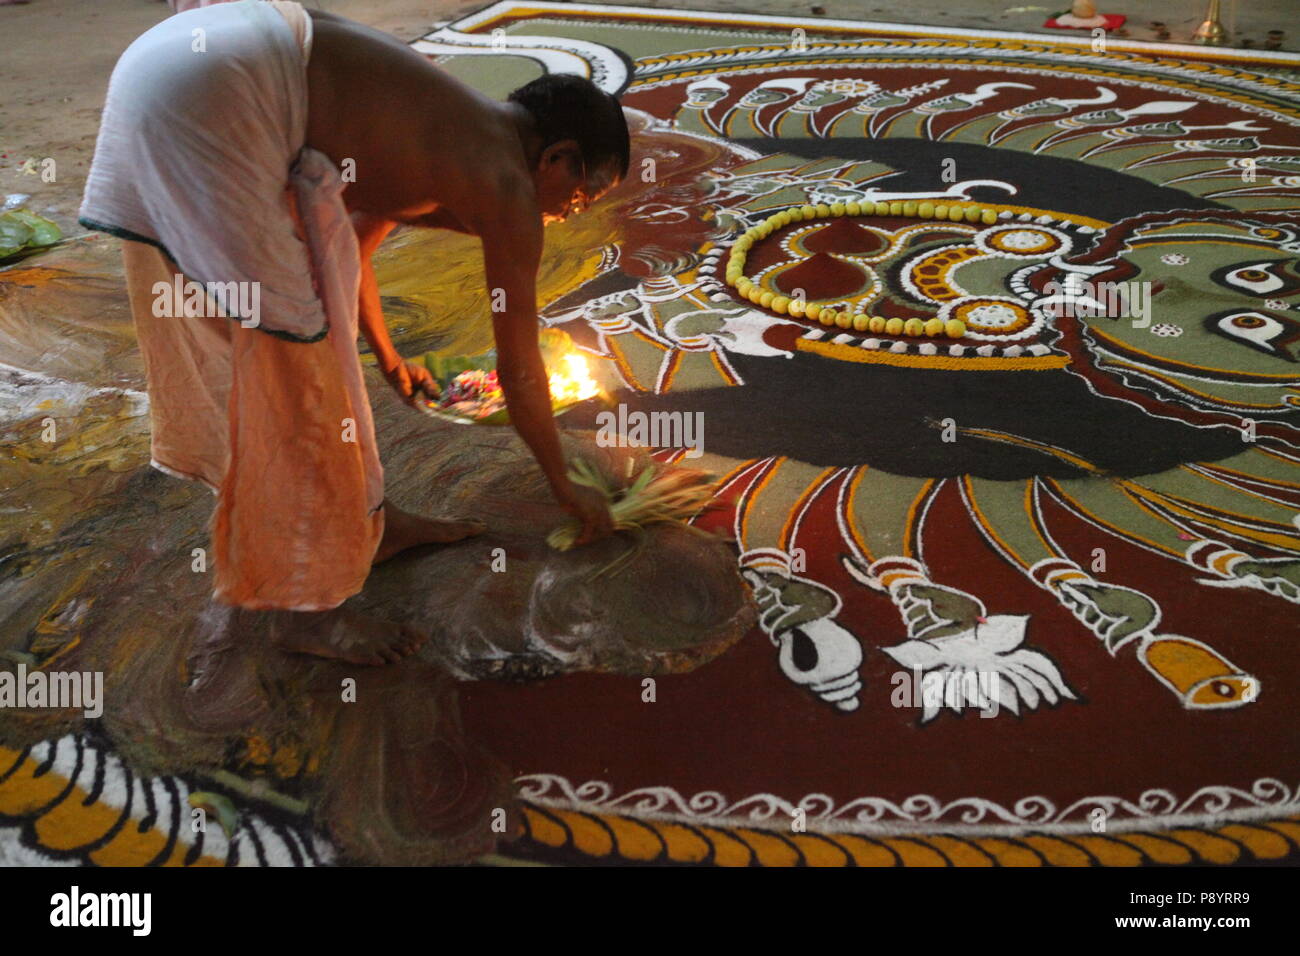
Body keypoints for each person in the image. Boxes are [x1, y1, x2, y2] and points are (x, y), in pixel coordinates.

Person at [79, 1, 626, 664]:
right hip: (209, 98)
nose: (570, 215)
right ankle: (301, 609)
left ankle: (371, 519)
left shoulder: (445, 125)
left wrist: (389, 357)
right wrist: (566, 487)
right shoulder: (507, 185)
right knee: (293, 366)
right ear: (557, 158)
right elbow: (519, 368)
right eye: (580, 197)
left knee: (314, 322)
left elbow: (356, 249)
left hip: (183, 61)